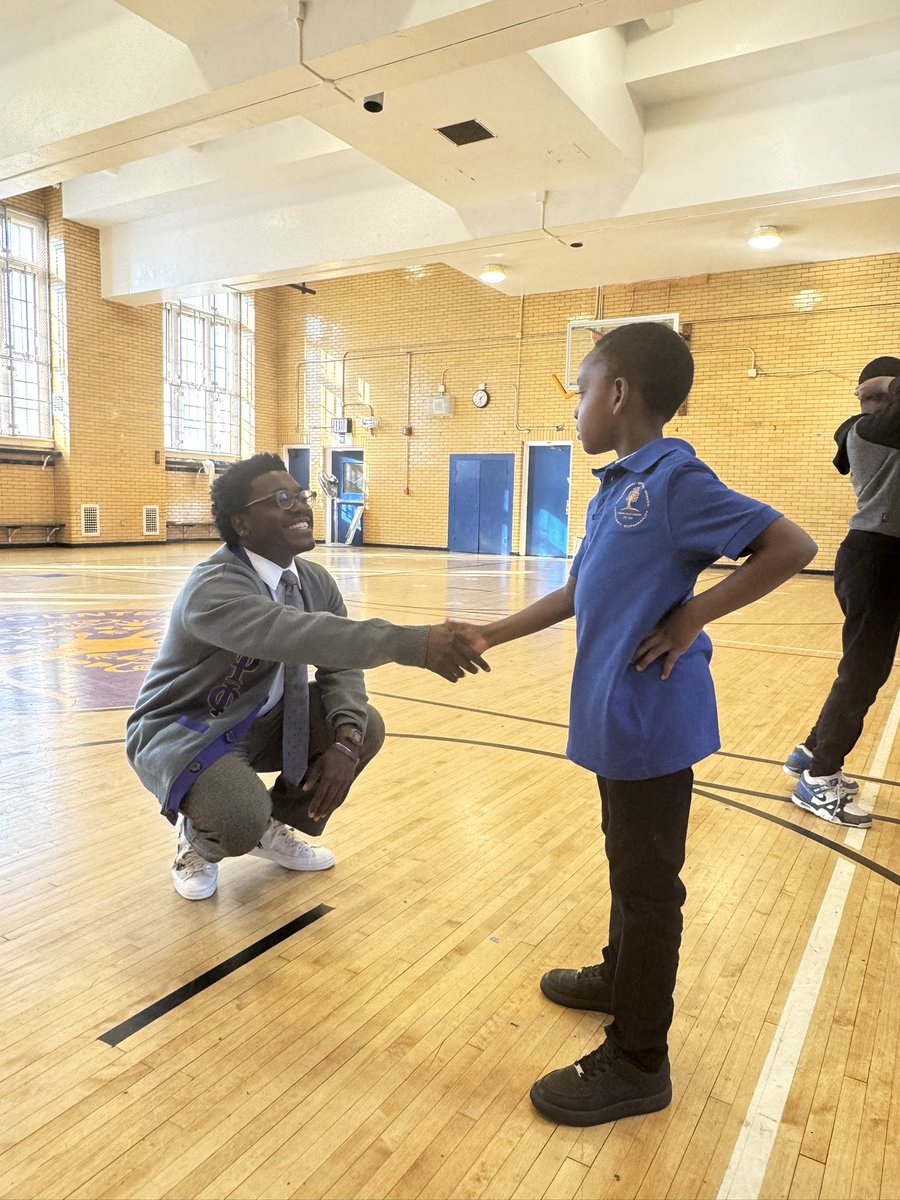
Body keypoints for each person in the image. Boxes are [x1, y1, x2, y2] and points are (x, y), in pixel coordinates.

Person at [450, 323, 816, 1127]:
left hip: (653, 718)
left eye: (582, 389)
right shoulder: (614, 488)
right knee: (627, 863)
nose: (576, 406)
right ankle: (620, 976)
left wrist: (691, 617)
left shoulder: (674, 480)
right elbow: (576, 591)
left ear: (618, 394)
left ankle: (640, 1060)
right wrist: (491, 633)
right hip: (615, 714)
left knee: (649, 888)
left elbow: (790, 546)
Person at [126, 452, 488, 901]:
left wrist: (346, 740)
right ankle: (199, 843)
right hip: (191, 728)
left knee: (364, 724)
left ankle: (273, 826)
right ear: (242, 523)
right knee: (237, 818)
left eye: (302, 495)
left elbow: (341, 666)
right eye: (282, 499)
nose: (300, 505)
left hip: (264, 722)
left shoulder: (314, 581)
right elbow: (295, 633)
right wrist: (411, 643)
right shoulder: (215, 586)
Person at [784, 356, 900, 825]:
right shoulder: (867, 431)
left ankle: (810, 753)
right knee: (862, 674)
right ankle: (818, 780)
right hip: (876, 559)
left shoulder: (870, 431)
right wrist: (887, 381)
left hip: (879, 558)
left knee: (863, 671)